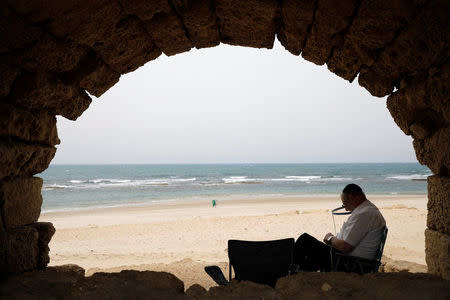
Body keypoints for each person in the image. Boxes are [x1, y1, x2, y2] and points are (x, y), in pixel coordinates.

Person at [293, 183, 386, 272]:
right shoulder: (367, 210)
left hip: (351, 264)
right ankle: (299, 273)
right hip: (351, 260)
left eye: (345, 204)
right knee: (312, 253)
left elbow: (345, 247)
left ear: (352, 198)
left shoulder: (364, 214)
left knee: (305, 240)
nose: (346, 209)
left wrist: (330, 238)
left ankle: (291, 273)